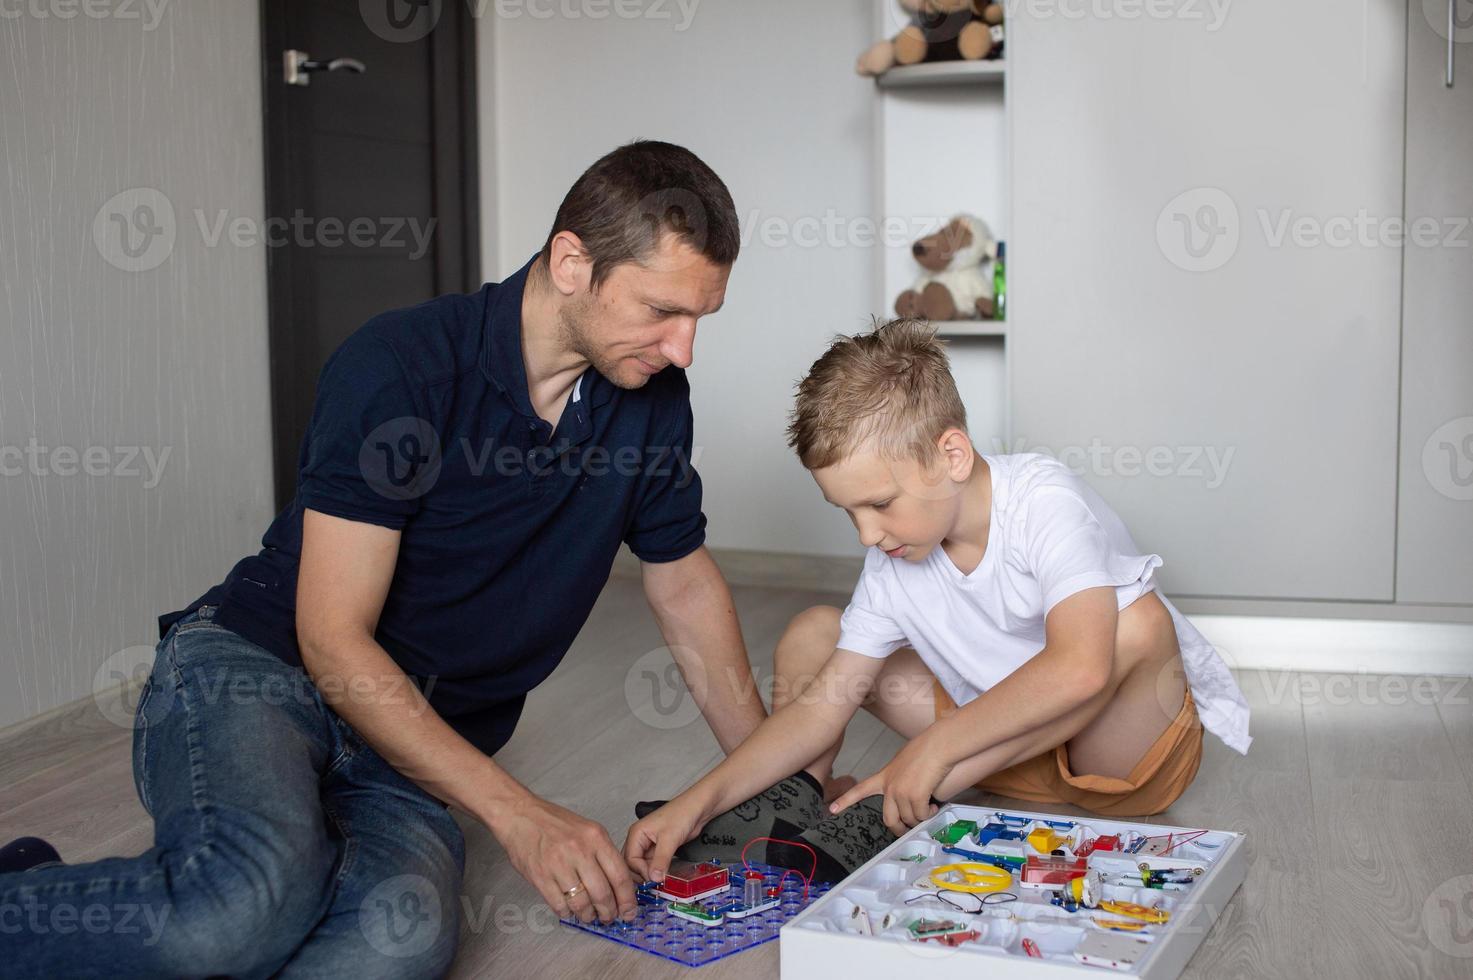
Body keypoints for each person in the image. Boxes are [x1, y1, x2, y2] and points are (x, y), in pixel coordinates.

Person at [0, 140, 767, 978]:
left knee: (381, 955)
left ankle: (96, 911)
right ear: (572, 261)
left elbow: (685, 587)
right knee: (235, 910)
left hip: (414, 745)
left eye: (700, 319)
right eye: (662, 311)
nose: (683, 349)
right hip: (263, 672)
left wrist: (777, 779)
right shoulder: (400, 365)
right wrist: (518, 816)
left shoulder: (651, 402)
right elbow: (331, 639)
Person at [624, 317, 1251, 887]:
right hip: (1001, 756)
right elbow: (820, 711)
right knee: (814, 635)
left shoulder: (1042, 500)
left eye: (879, 504)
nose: (868, 535)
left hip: (1115, 760)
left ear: (951, 454)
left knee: (1134, 624)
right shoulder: (893, 554)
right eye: (848, 512)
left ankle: (915, 786)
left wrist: (931, 749)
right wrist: (696, 801)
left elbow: (1081, 668)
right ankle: (801, 806)